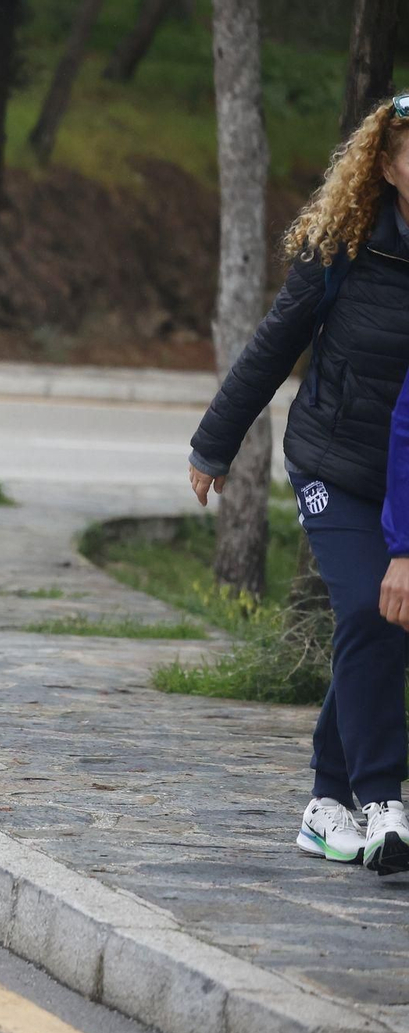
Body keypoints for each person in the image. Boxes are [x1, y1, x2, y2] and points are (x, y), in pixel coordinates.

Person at [188, 93, 409, 876]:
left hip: (405, 482)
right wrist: (215, 444)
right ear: (387, 165)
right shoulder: (345, 245)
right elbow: (275, 342)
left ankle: (324, 803)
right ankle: (381, 798)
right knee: (364, 606)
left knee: (380, 620)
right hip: (333, 465)